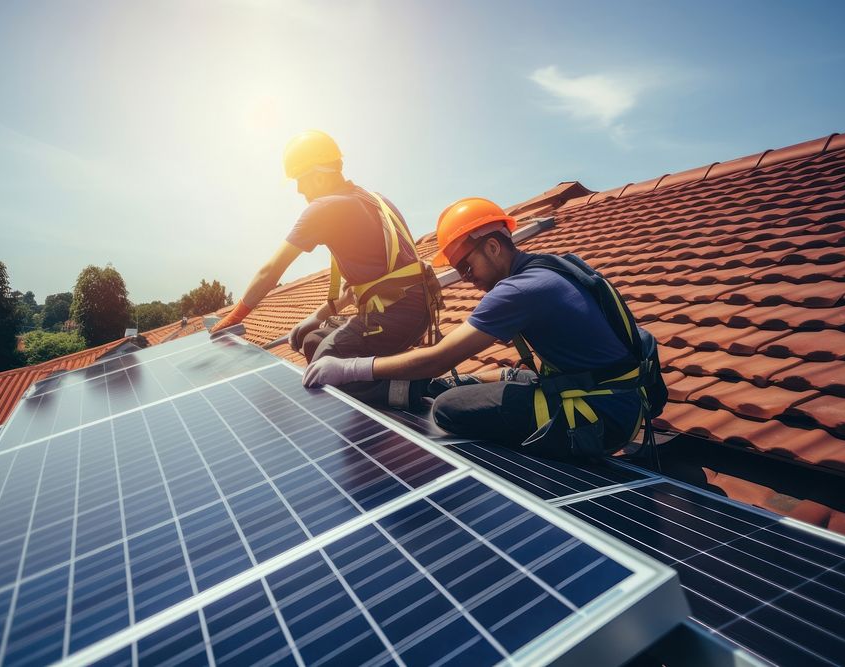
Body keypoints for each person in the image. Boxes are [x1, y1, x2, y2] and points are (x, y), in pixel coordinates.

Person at [304, 197, 665, 460]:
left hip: (603, 416)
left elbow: (438, 358)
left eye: (466, 266)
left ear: (493, 247)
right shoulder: (546, 267)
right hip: (616, 393)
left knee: (449, 407)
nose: (466, 279)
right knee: (481, 381)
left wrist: (348, 367)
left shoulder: (520, 289)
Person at [211, 130, 441, 408]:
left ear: (319, 175)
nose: (299, 190)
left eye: (300, 180)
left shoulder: (324, 208)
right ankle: (375, 388)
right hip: (414, 312)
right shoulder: (371, 198)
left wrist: (234, 318)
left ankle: (409, 389)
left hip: (395, 318)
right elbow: (368, 283)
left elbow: (271, 271)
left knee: (322, 367)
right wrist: (316, 317)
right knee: (313, 340)